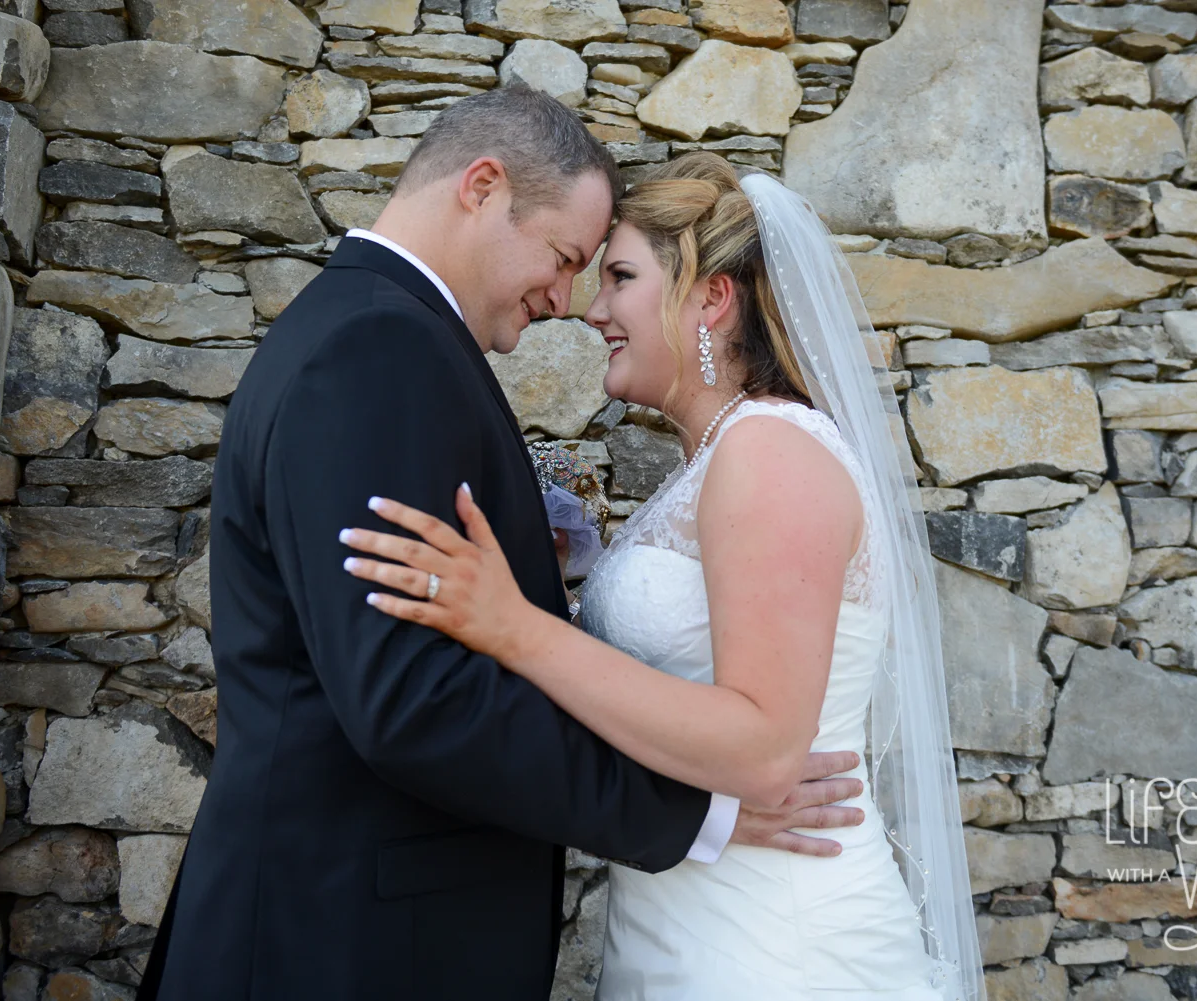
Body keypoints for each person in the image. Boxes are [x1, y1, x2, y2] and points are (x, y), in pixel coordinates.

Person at [136, 87, 871, 1001]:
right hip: (344, 942)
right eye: (568, 258)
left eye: (608, 274)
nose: (570, 301)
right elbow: (413, 696)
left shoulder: (374, 332)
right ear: (482, 187)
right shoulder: (376, 347)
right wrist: (694, 814)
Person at [342, 153, 987, 1000]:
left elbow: (762, 748)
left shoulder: (771, 452)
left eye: (619, 277)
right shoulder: (716, 461)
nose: (593, 308)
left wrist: (516, 625)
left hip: (775, 949)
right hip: (685, 926)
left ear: (711, 299)